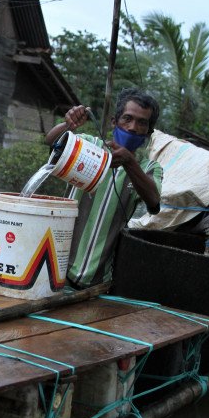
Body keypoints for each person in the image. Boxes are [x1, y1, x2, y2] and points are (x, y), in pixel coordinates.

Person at [45, 88, 163, 289]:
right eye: (127, 118)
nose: (133, 127)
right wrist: (67, 125)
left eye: (142, 122)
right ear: (114, 122)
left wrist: (128, 161)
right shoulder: (89, 145)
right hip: (53, 269)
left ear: (148, 132)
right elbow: (51, 142)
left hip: (97, 281)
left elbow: (154, 202)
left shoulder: (149, 168)